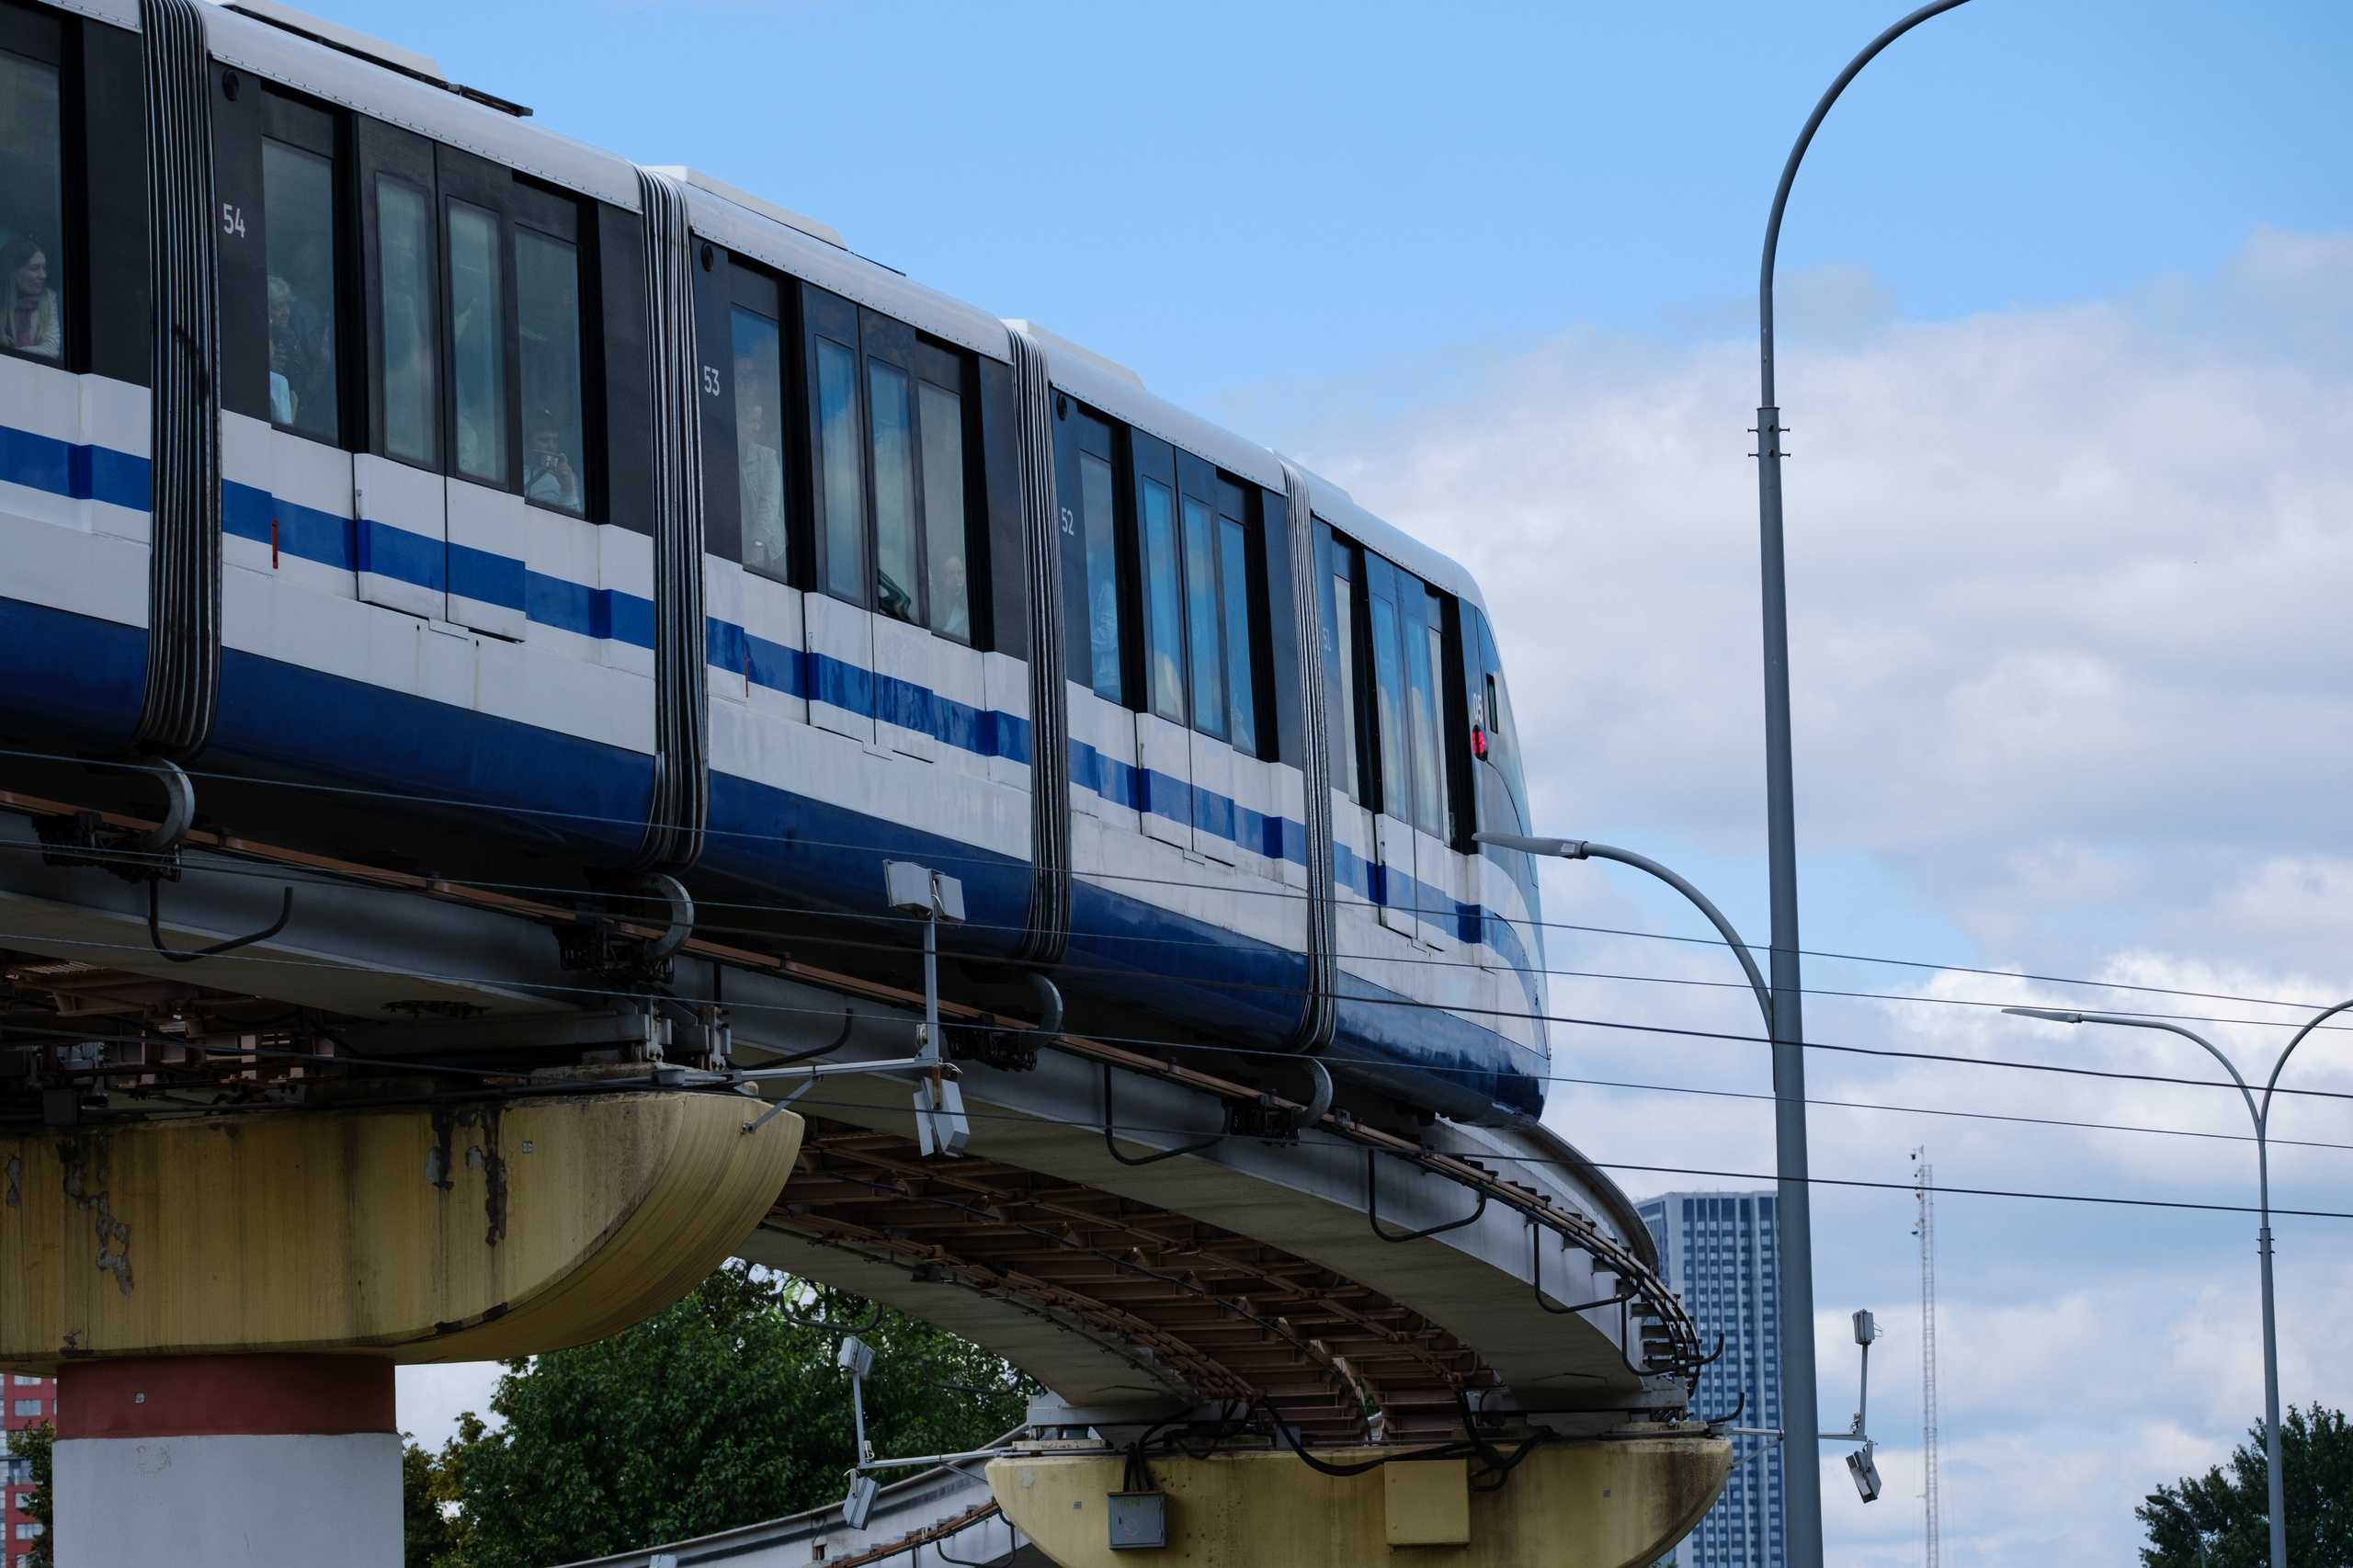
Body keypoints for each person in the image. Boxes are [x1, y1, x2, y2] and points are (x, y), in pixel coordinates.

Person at [0, 237, 61, 359]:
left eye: (44, 268)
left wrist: (9, 355)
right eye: (34, 268)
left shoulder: (48, 299)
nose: (43, 276)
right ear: (13, 272)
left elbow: (51, 349)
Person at [525, 420, 582, 513]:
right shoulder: (514, 471)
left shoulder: (567, 476)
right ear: (527, 443)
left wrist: (567, 489)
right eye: (544, 440)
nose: (551, 447)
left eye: (555, 440)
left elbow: (573, 522)